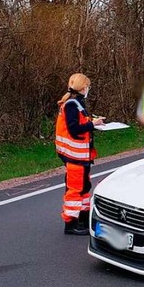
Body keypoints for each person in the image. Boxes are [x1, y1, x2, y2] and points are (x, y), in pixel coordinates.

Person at [55, 73, 105, 235]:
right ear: (83, 88)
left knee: (84, 186)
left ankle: (83, 218)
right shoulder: (71, 104)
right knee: (75, 189)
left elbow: (80, 122)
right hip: (74, 156)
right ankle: (71, 223)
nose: (88, 89)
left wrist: (93, 122)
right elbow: (74, 128)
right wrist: (92, 125)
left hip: (81, 156)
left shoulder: (76, 103)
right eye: (88, 86)